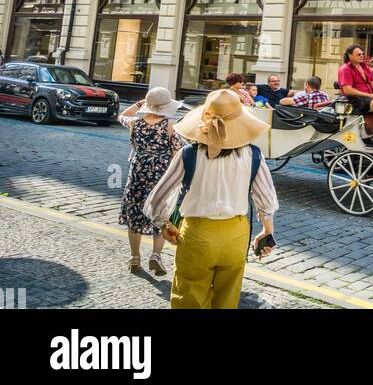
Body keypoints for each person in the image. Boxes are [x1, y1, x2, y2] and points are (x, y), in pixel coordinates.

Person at [144, 87, 276, 310]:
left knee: (189, 296)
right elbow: (266, 199)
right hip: (236, 234)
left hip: (197, 233)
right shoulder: (253, 155)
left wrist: (164, 224)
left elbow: (158, 199)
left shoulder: (188, 154)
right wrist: (267, 230)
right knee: (227, 299)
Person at [118, 87, 186, 276]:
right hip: (160, 174)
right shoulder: (171, 124)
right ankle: (156, 255)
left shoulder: (135, 122)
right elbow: (178, 153)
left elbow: (121, 116)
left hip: (138, 172)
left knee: (135, 213)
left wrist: (140, 104)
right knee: (161, 214)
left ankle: (134, 257)